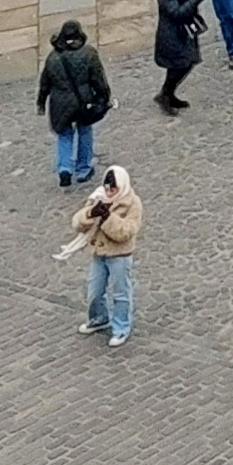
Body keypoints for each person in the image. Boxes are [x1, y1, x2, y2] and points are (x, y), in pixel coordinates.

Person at [60, 158, 142, 345]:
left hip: (119, 255)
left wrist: (107, 218)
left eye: (113, 189)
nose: (109, 192)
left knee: (121, 293)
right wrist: (90, 214)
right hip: (99, 253)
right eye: (107, 188)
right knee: (94, 291)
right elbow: (77, 223)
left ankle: (121, 326)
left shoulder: (132, 203)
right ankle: (99, 318)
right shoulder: (98, 197)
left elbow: (126, 232)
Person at [36, 17, 112, 187]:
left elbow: (45, 84)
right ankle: (83, 169)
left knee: (64, 135)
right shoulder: (89, 54)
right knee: (84, 130)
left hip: (60, 104)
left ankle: (64, 169)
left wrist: (41, 103)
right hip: (83, 101)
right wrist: (104, 97)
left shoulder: (53, 58)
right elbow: (98, 80)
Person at [151, 0, 207, 116]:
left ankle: (167, 93)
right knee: (180, 64)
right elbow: (177, 12)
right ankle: (166, 94)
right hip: (172, 36)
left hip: (184, 31)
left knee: (185, 63)